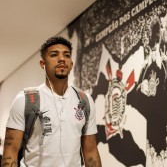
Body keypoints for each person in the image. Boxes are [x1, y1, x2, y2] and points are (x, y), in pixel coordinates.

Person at [1, 36, 102, 167]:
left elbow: (91, 153)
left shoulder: (85, 100)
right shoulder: (25, 100)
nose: (61, 59)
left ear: (71, 64)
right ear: (42, 64)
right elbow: (10, 153)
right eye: (54, 55)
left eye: (66, 55)